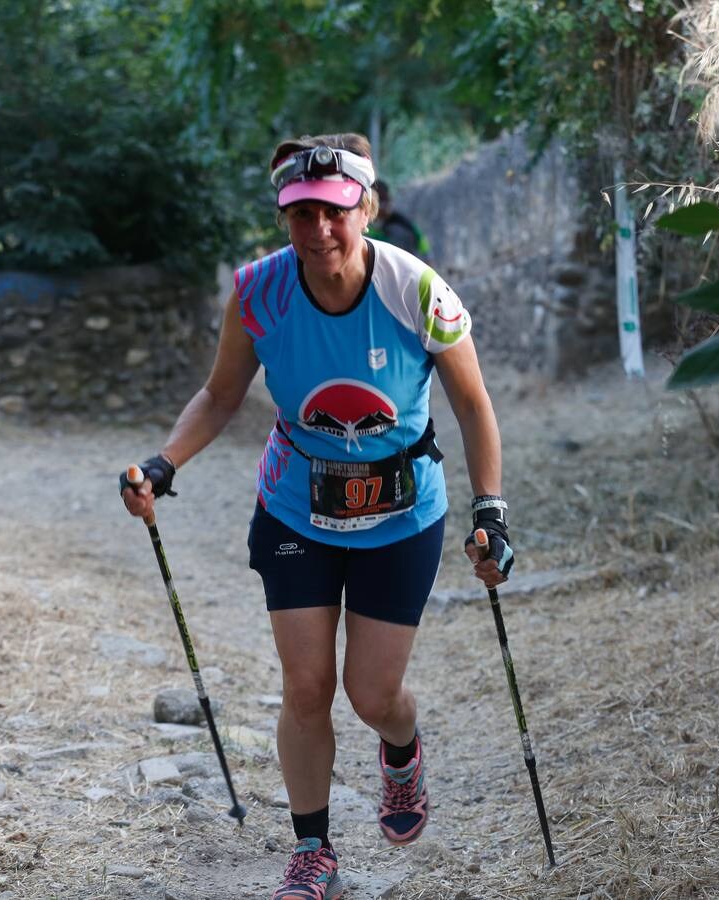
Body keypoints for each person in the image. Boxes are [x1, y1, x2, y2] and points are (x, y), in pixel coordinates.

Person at [119, 132, 514, 900]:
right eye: (301, 213)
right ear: (283, 218)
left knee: (372, 695)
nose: (319, 230)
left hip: (401, 518)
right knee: (305, 688)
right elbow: (221, 395)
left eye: (333, 212)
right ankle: (312, 851)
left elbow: (472, 401)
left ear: (363, 208)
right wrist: (164, 465)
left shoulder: (416, 290)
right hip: (296, 509)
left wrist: (489, 511)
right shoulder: (258, 293)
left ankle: (401, 751)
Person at [367, 179, 433, 263]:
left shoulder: (399, 228)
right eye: (382, 203)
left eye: (388, 201)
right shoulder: (364, 223)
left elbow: (419, 238)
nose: (387, 207)